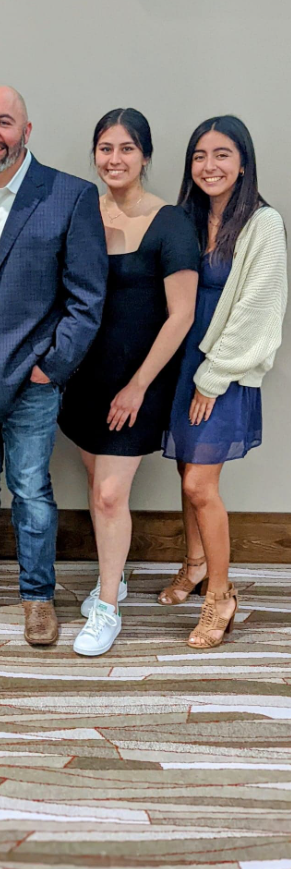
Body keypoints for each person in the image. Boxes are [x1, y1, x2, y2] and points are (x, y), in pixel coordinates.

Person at [0, 85, 109, 646]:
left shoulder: (68, 195)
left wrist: (51, 367)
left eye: (4, 121)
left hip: (32, 376)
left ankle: (38, 597)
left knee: (32, 488)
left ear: (27, 131)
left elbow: (87, 299)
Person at [59, 109, 199, 656]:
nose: (113, 159)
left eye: (125, 149)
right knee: (99, 492)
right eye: (104, 148)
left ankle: (110, 610)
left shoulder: (171, 222)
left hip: (138, 383)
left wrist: (139, 385)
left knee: (112, 494)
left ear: (145, 156)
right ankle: (107, 582)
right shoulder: (82, 213)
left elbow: (181, 315)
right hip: (86, 379)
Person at [160, 115, 287, 648]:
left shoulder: (263, 224)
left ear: (243, 163)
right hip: (183, 358)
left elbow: (258, 310)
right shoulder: (186, 218)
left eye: (222, 155)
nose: (209, 166)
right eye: (199, 156)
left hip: (224, 368)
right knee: (186, 468)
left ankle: (221, 596)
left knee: (199, 485)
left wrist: (212, 378)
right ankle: (193, 565)